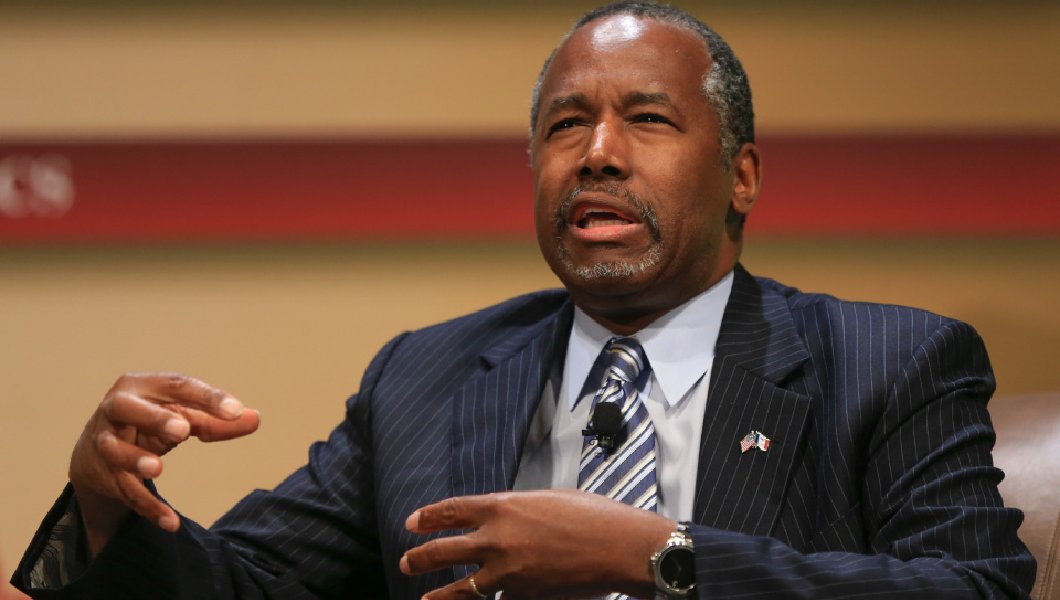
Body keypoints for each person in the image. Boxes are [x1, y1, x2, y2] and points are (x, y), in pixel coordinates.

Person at [12, 2, 1035, 598]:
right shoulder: (426, 375)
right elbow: (251, 586)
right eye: (564, 126)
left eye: (647, 119)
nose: (597, 153)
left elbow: (974, 589)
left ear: (741, 175)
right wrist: (110, 503)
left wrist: (659, 558)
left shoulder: (888, 361)